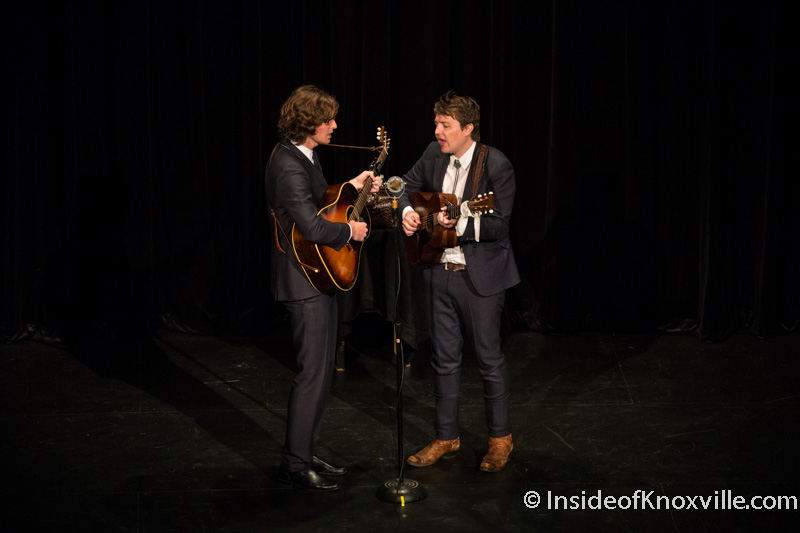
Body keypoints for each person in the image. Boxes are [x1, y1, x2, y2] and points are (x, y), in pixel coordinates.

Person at [265, 85, 381, 491]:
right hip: (304, 279)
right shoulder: (289, 166)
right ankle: (295, 465)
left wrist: (352, 184)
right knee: (312, 374)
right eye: (328, 119)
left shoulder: (305, 156)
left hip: (318, 276)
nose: (334, 125)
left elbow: (319, 204)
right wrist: (351, 228)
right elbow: (312, 227)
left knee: (320, 373)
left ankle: (305, 453)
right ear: (308, 123)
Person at [398, 91, 519, 472]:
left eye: (445, 125)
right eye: (436, 124)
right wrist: (407, 213)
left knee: (488, 360)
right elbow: (402, 184)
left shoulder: (496, 165)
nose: (437, 132)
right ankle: (446, 436)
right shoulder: (434, 154)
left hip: (478, 278)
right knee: (444, 360)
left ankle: (501, 440)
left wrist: (461, 223)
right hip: (438, 271)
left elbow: (498, 224)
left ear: (468, 129)